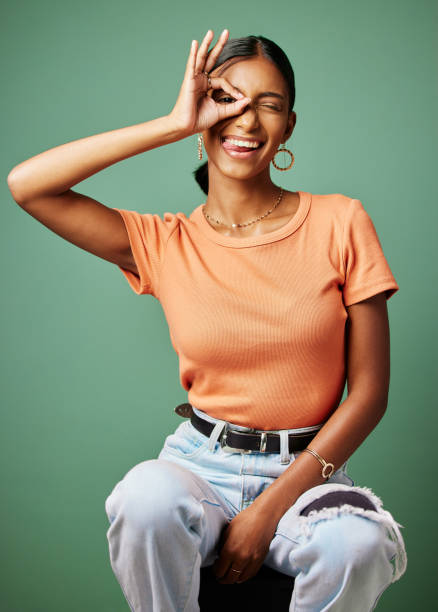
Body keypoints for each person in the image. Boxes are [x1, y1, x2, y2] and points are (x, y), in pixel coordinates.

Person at [7, 28, 407, 612]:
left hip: (309, 472)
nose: (245, 121)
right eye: (227, 100)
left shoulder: (340, 222)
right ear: (203, 113)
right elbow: (28, 185)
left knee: (358, 543)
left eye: (267, 105)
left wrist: (267, 511)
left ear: (288, 127)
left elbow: (369, 393)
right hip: (200, 467)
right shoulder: (164, 242)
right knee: (143, 500)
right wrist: (173, 122)